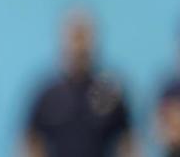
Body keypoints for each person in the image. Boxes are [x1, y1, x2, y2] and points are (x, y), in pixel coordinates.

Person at [23, 11, 136, 157]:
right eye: (74, 36)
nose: (79, 45)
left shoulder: (109, 91)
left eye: (84, 36)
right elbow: (31, 142)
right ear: (63, 39)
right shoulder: (47, 94)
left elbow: (127, 142)